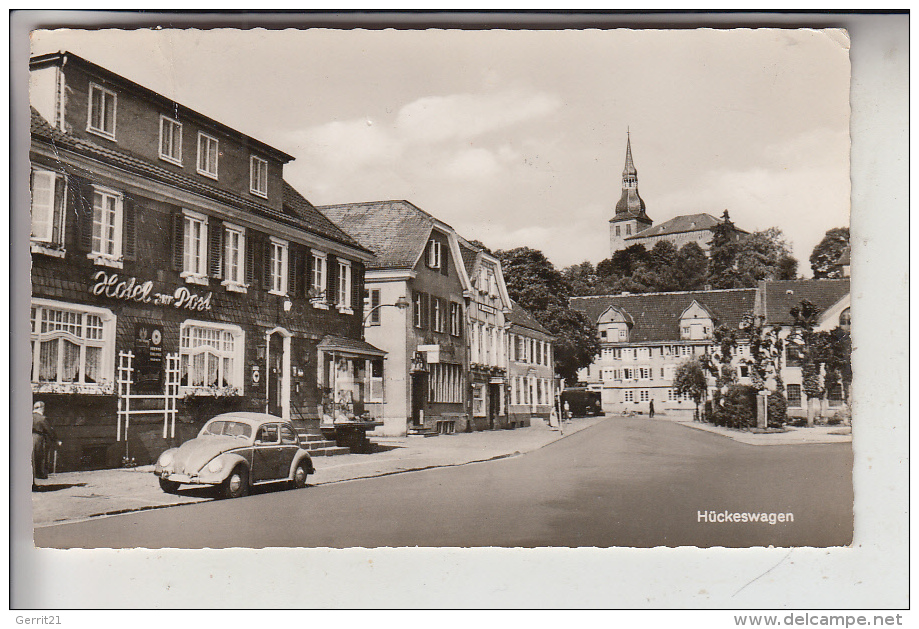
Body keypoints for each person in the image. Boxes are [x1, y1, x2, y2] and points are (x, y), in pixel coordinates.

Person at [32, 401, 57, 486]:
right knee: (38, 459)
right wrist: (55, 440)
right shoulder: (42, 418)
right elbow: (49, 430)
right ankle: (38, 477)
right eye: (43, 408)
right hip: (37, 439)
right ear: (41, 408)